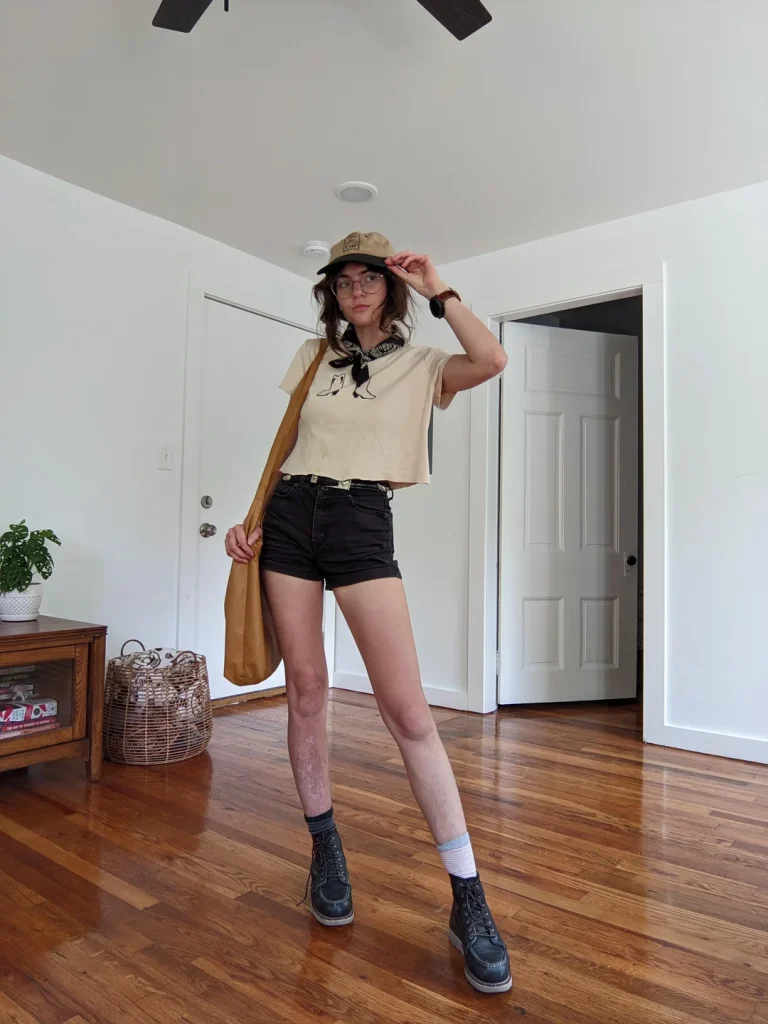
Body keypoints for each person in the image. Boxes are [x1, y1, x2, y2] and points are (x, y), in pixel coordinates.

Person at [225, 231, 511, 995]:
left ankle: (469, 898)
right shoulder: (313, 356)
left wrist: (439, 288)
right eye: (343, 282)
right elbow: (285, 446)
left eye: (369, 279)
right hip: (290, 516)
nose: (355, 292)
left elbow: (491, 359)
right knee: (307, 690)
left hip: (360, 519)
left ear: (391, 287)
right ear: (332, 293)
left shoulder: (424, 365)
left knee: (408, 713)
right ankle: (326, 850)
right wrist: (251, 520)